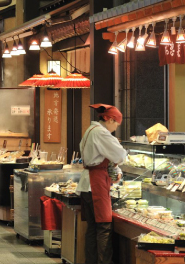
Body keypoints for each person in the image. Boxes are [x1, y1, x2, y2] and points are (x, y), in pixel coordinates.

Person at [76, 104, 127, 264]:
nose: (115, 128)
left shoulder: (91, 130)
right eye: (116, 124)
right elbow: (120, 155)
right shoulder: (101, 133)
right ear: (111, 120)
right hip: (96, 183)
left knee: (92, 228)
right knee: (103, 227)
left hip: (87, 183)